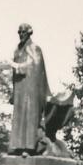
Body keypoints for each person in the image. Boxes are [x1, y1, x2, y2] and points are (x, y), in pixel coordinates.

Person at [9, 23, 50, 155]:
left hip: (31, 89)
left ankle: (29, 147)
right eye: (19, 32)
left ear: (29, 33)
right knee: (19, 116)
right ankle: (18, 146)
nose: (21, 35)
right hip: (20, 88)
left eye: (23, 32)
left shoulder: (35, 48)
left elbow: (35, 66)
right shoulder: (17, 50)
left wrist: (19, 67)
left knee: (29, 116)